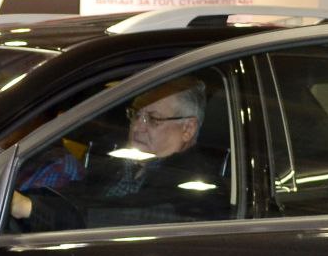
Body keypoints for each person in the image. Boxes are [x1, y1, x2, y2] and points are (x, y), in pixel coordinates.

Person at [11, 77, 216, 230]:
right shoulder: (119, 164)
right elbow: (73, 195)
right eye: (136, 115)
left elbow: (117, 217)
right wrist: (26, 200)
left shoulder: (193, 183)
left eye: (153, 119)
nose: (137, 127)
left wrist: (29, 208)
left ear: (187, 129)